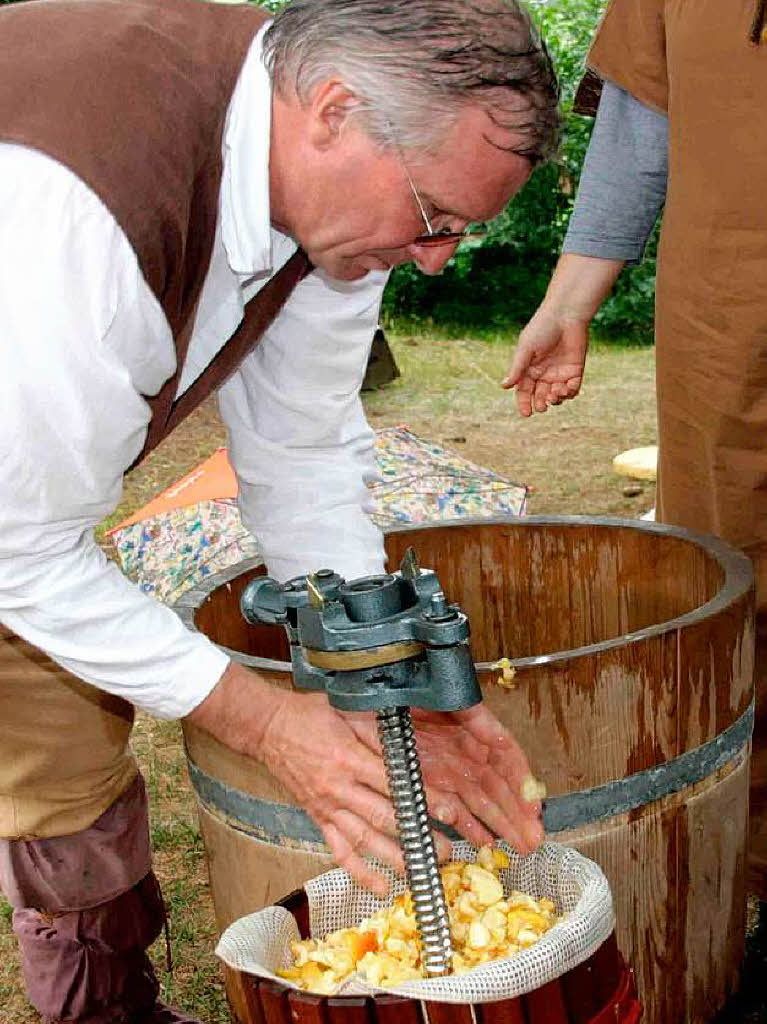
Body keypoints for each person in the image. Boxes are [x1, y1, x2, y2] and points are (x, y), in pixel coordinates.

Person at [0, 0, 560, 1019]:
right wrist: (263, 721)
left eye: (459, 232)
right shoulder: (72, 209)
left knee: (68, 748)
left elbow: (300, 448)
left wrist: (393, 685)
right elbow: (16, 554)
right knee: (45, 737)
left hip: (17, 502)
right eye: (435, 216)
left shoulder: (327, 204)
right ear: (334, 112)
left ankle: (107, 990)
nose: (436, 257)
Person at [505, 0, 767, 896]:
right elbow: (636, 126)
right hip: (735, 320)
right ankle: (760, 875)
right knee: (742, 587)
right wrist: (567, 303)